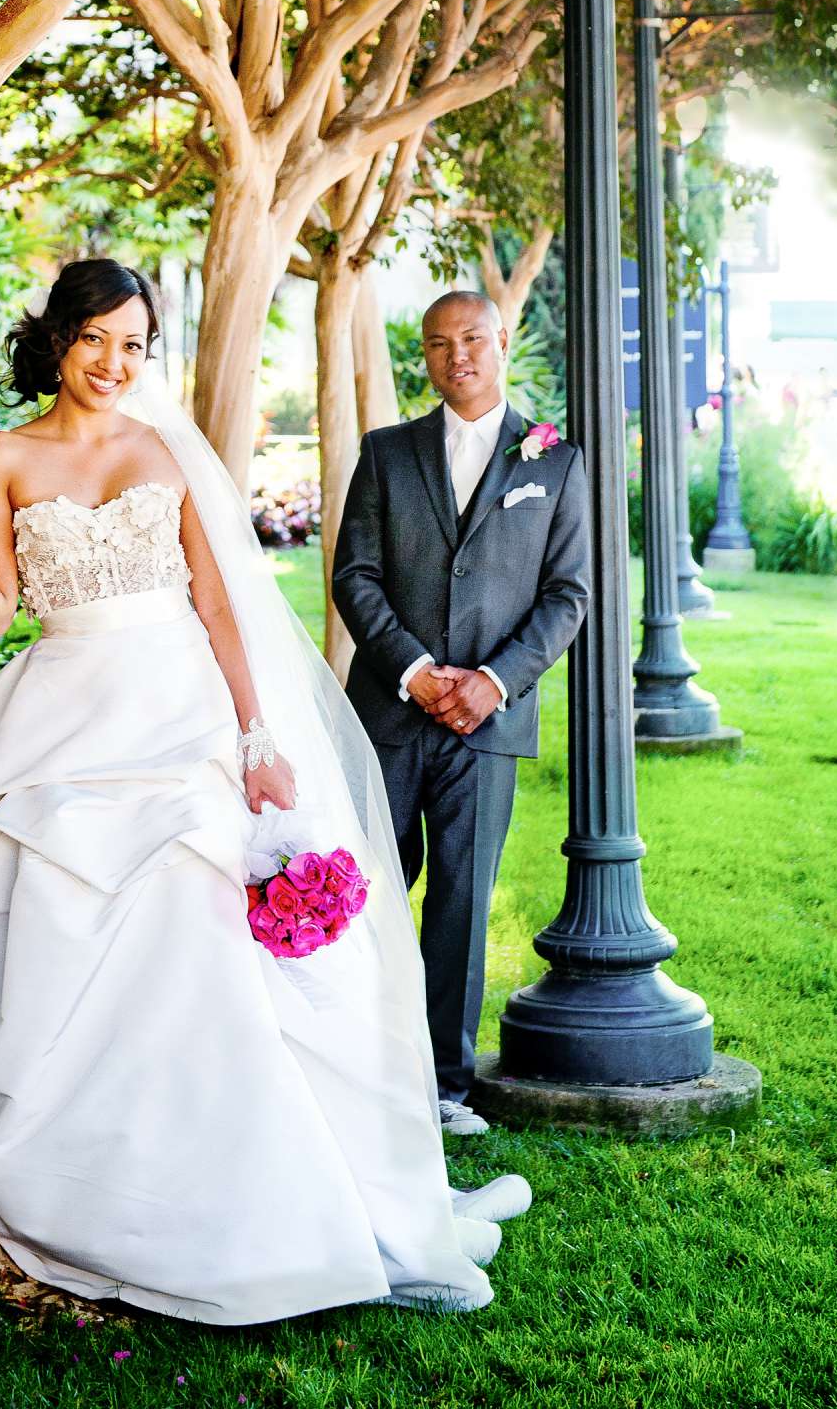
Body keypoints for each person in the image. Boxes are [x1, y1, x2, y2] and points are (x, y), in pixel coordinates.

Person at [0, 257, 532, 1326]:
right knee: (59, 940)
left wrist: (255, 734)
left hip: (182, 714)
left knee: (204, 941)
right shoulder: (2, 456)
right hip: (65, 716)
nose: (115, 364)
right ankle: (99, 1174)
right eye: (96, 340)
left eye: (134, 344)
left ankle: (286, 1192)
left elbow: (215, 602)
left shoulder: (160, 449)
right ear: (58, 338)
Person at [332, 290, 589, 1136]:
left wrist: (493, 680)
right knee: (364, 889)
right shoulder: (387, 452)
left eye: (472, 338)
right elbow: (354, 576)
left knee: (460, 902)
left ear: (502, 339)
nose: (457, 356)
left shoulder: (556, 461)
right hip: (391, 714)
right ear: (427, 357)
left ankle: (443, 1083)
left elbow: (567, 594)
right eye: (439, 345)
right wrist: (413, 669)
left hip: (490, 722)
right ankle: (347, 1055)